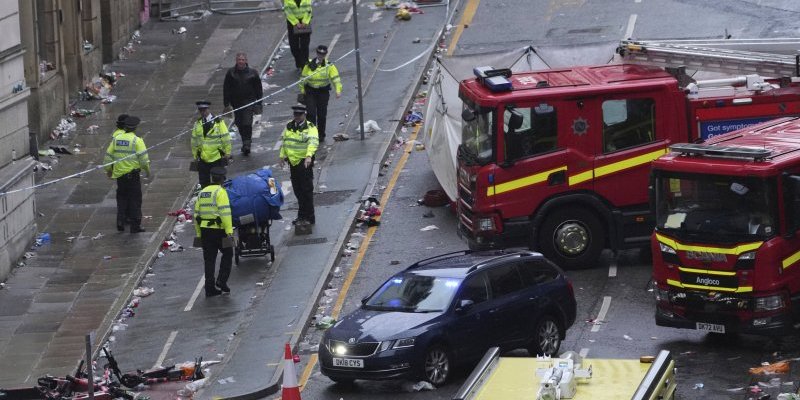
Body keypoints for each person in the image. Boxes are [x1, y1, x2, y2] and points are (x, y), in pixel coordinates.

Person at [103, 115, 150, 233]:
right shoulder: (137, 141)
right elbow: (144, 160)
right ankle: (135, 226)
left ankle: (120, 221)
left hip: (120, 176)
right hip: (133, 176)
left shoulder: (116, 139)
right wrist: (147, 171)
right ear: (135, 128)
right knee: (135, 200)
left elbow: (108, 156)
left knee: (122, 199)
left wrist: (108, 170)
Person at [194, 166, 234, 297]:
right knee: (228, 253)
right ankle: (222, 280)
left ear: (211, 178)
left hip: (205, 232)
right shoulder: (220, 192)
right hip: (220, 231)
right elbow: (225, 213)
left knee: (209, 260)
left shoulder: (202, 193)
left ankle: (209, 289)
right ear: (222, 179)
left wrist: (199, 234)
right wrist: (229, 231)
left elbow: (196, 215)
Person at [279, 104, 318, 225]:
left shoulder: (310, 127)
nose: (297, 117)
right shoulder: (289, 126)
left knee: (306, 191)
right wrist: (282, 156)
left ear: (304, 114)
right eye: (295, 114)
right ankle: (301, 216)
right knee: (298, 191)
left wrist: (308, 156)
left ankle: (309, 217)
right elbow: (285, 142)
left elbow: (313, 142)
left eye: (299, 115)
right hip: (293, 163)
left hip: (304, 163)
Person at [223, 52, 263, 156]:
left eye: (242, 60)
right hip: (236, 102)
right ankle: (244, 140)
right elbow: (226, 88)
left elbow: (258, 88)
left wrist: (259, 102)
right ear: (236, 61)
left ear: (246, 61)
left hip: (249, 101)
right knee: (239, 123)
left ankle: (247, 144)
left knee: (247, 122)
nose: (240, 62)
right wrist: (226, 103)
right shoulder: (231, 73)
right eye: (239, 60)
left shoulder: (253, 73)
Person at [300, 45, 342, 144]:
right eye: (319, 54)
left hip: (323, 92)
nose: (321, 56)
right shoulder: (309, 64)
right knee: (311, 113)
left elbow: (335, 79)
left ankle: (321, 135)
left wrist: (338, 90)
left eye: (323, 54)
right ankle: (312, 135)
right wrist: (302, 89)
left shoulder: (329, 66)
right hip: (310, 92)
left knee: (322, 115)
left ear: (325, 55)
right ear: (317, 53)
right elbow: (303, 78)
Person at [191, 100, 231, 188]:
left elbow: (226, 137)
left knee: (219, 182)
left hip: (216, 157)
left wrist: (227, 152)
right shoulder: (197, 124)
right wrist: (195, 156)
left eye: (204, 110)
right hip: (203, 158)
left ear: (208, 109)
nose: (203, 112)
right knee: (204, 183)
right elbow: (194, 141)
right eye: (201, 110)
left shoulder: (218, 122)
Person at [283, 0, 313, 71]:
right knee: (294, 46)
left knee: (304, 46)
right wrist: (296, 23)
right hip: (292, 23)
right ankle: (299, 62)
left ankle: (305, 65)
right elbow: (288, 12)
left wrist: (305, 22)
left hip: (305, 22)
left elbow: (308, 10)